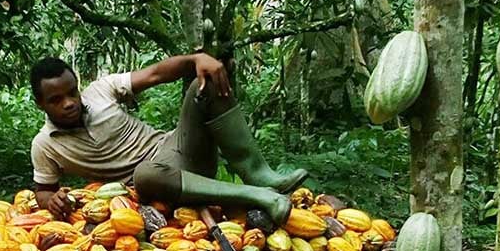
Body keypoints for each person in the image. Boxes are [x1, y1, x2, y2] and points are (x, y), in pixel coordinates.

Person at [28, 53, 307, 225]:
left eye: (72, 93)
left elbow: (156, 74)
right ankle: (259, 197)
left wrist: (195, 60)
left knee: (206, 83)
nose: (69, 103)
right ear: (40, 103)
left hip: (179, 150)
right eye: (56, 99)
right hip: (153, 185)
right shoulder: (45, 145)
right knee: (145, 173)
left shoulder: (101, 91)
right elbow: (43, 190)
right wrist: (50, 201)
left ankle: (260, 176)